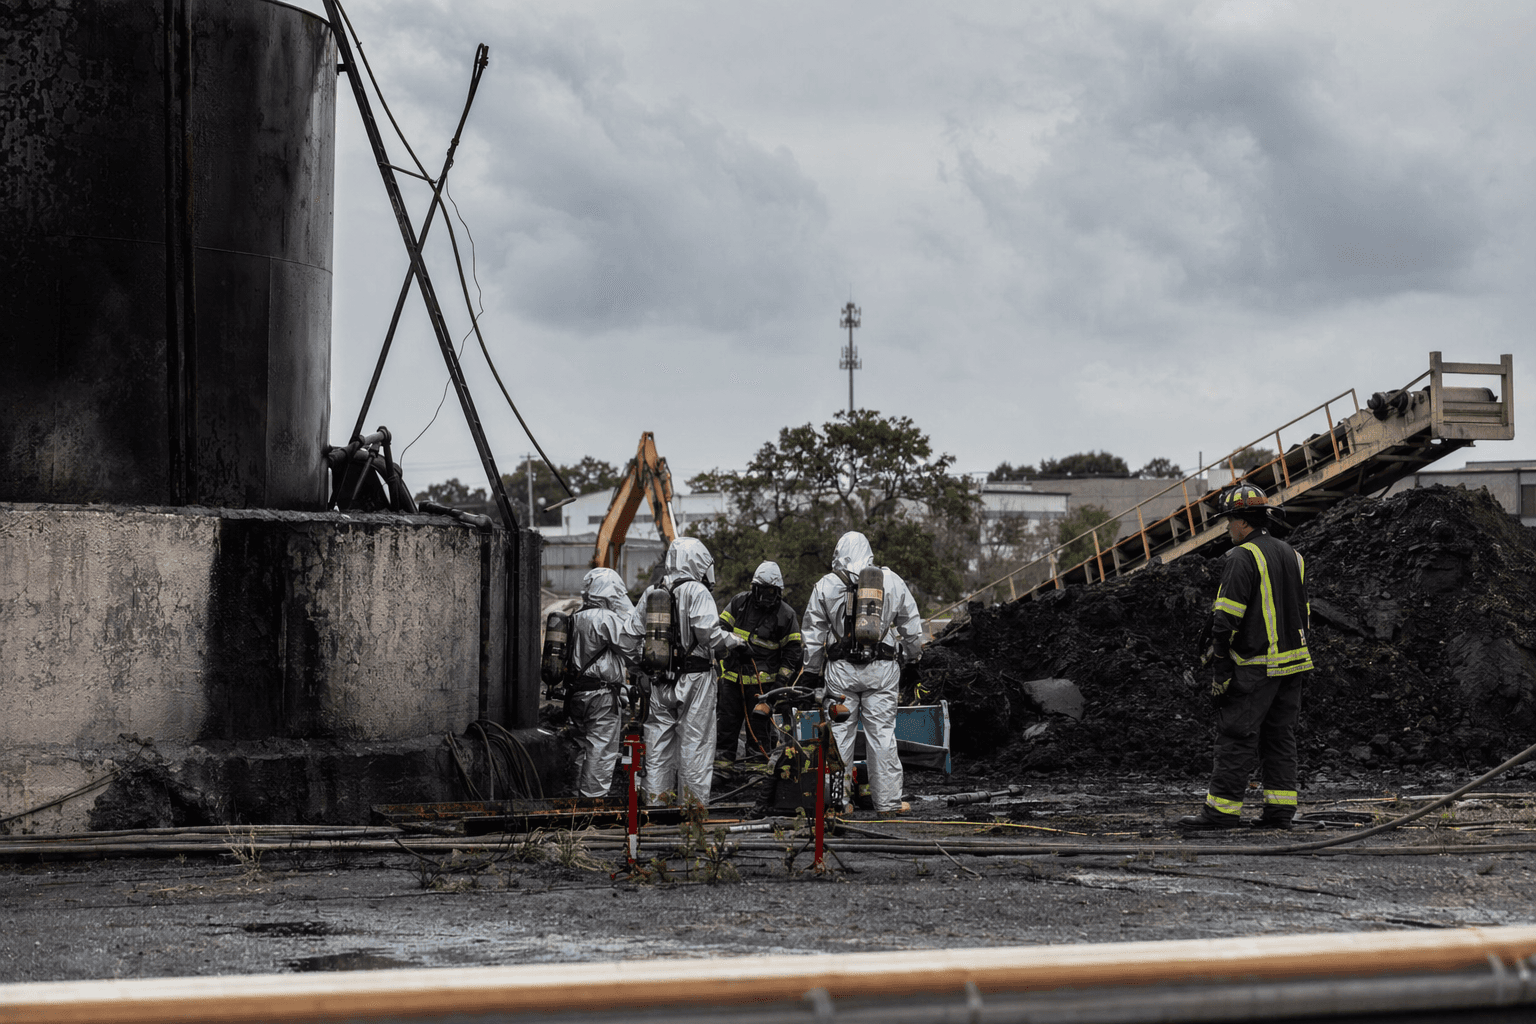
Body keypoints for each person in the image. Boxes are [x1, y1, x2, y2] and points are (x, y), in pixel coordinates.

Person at [1179, 483, 1314, 831]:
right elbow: (1304, 612)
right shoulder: (1293, 555)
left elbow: (1225, 620)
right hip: (1293, 664)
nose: (1227, 529)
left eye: (1228, 522)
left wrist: (1221, 671)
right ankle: (1280, 813)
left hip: (1256, 667)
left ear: (1242, 521)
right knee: (1280, 737)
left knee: (1237, 735)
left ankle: (1221, 813)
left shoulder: (1242, 556)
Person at [801, 531, 924, 814]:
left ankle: (836, 803)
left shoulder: (825, 586)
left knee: (839, 735)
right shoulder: (891, 581)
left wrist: (811, 669)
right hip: (882, 671)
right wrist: (915, 658)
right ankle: (888, 803)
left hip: (841, 673)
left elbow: (811, 633)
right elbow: (911, 626)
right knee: (881, 735)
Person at [632, 537, 735, 806]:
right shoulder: (697, 592)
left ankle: (655, 805)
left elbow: (631, 634)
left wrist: (643, 668)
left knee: (657, 745)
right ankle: (691, 809)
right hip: (695, 680)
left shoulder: (652, 592)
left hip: (658, 681)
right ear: (698, 562)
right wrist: (736, 643)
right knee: (695, 745)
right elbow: (710, 636)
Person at [565, 567, 643, 798]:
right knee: (601, 749)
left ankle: (575, 800)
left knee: (582, 747)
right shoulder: (605, 618)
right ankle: (593, 804)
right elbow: (631, 648)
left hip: (576, 694)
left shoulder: (575, 617)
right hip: (601, 697)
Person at [716, 561, 804, 761]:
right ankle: (723, 770)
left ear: (778, 592)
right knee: (726, 728)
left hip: (762, 688)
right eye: (760, 591)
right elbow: (719, 629)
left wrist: (778, 688)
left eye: (770, 592)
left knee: (759, 733)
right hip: (732, 680)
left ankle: (756, 775)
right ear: (753, 588)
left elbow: (792, 654)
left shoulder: (786, 615)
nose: (764, 597)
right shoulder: (739, 603)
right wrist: (734, 644)